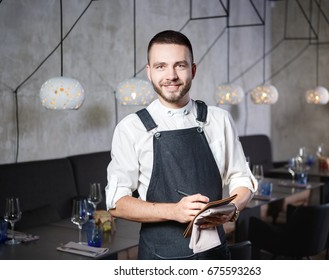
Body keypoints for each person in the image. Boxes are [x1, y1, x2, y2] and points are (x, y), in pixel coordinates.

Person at [105, 30, 256, 260]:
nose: (171, 75)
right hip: (159, 258)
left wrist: (232, 209)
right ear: (149, 72)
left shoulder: (219, 120)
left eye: (180, 65)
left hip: (214, 255)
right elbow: (117, 203)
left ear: (193, 70)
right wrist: (174, 211)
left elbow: (242, 179)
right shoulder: (131, 128)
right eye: (161, 66)